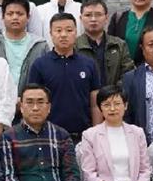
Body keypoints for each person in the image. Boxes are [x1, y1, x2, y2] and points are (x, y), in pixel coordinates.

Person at [28, 13, 101, 143]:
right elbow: (33, 103)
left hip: (83, 136)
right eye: (58, 30)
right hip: (49, 136)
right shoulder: (40, 65)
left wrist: (96, 133)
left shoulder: (89, 64)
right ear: (51, 34)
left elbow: (95, 103)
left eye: (69, 30)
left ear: (76, 32)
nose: (63, 35)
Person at [0, 0, 48, 93]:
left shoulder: (40, 46)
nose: (15, 17)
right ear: (2, 17)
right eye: (10, 14)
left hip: (31, 100)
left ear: (28, 17)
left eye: (20, 14)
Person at [76, 0, 135, 86]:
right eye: (88, 15)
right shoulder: (74, 46)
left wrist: (115, 91)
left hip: (115, 94)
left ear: (106, 18)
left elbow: (129, 74)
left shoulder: (119, 45)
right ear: (81, 18)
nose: (93, 19)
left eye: (98, 15)